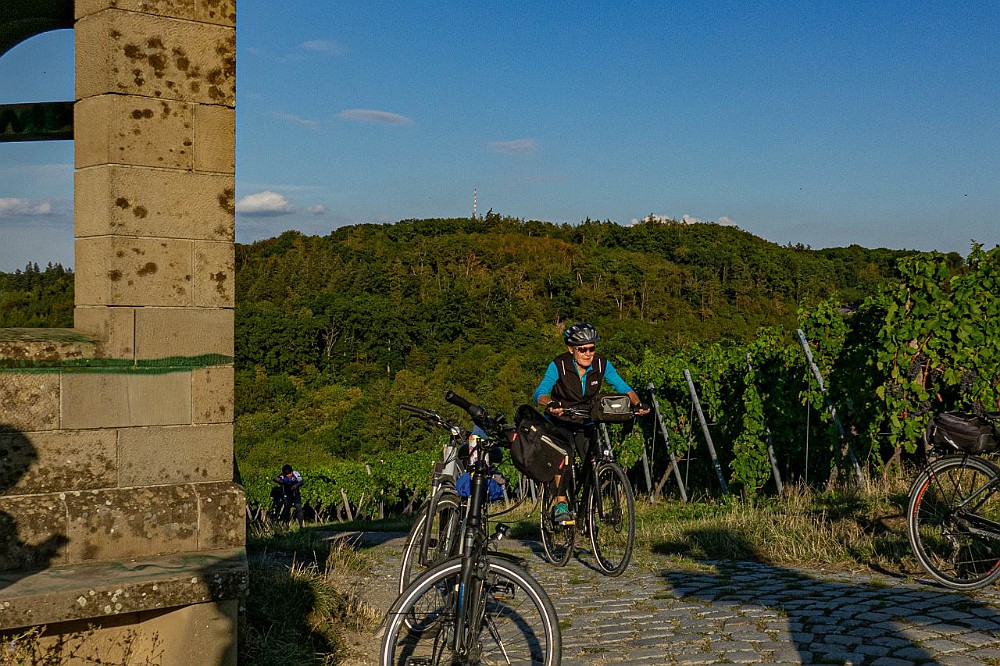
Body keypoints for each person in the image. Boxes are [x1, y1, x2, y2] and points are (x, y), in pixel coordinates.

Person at [533, 322, 649, 523]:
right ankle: (561, 503)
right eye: (583, 349)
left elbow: (623, 387)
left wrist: (637, 403)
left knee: (593, 458)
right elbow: (540, 392)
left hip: (586, 420)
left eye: (592, 348)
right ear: (571, 349)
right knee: (565, 456)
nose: (588, 354)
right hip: (560, 420)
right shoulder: (559, 365)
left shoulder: (601, 364)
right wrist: (550, 403)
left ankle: (587, 507)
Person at [273, 464, 304, 528]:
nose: (289, 475)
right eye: (287, 475)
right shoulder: (282, 476)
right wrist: (279, 480)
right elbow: (275, 478)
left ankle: (301, 525)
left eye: (290, 474)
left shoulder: (296, 474)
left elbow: (301, 481)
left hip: (295, 494)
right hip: (287, 495)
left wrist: (296, 485)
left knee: (299, 508)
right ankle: (286, 525)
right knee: (287, 509)